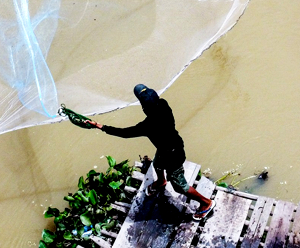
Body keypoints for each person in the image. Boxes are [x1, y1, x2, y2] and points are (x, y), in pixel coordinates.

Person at [90, 84, 214, 220]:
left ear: (144, 108)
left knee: (180, 186)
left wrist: (100, 126)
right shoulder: (164, 105)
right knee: (157, 164)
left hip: (174, 156)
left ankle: (206, 203)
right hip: (172, 145)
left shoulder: (147, 126)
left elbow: (124, 133)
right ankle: (161, 181)